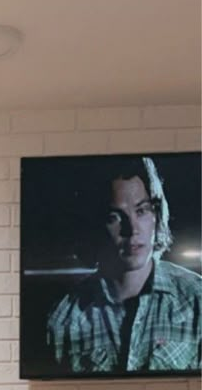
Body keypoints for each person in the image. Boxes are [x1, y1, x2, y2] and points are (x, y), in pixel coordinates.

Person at [46, 156, 202, 375]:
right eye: (115, 217)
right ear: (96, 225)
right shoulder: (65, 319)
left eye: (141, 211)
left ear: (156, 215)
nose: (132, 229)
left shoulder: (196, 299)